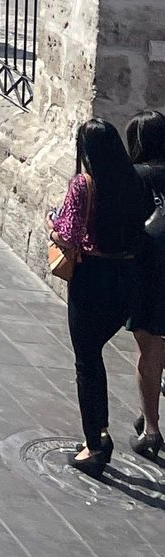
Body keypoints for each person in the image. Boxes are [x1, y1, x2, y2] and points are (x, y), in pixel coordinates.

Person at [49, 118, 152, 474]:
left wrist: (52, 222)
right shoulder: (134, 181)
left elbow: (68, 235)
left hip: (91, 279)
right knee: (96, 354)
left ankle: (95, 444)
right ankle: (98, 436)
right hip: (126, 278)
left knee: (87, 361)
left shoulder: (84, 184)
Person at [126, 110, 165, 458]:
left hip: (150, 273)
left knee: (149, 349)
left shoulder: (135, 176)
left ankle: (151, 430)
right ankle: (147, 408)